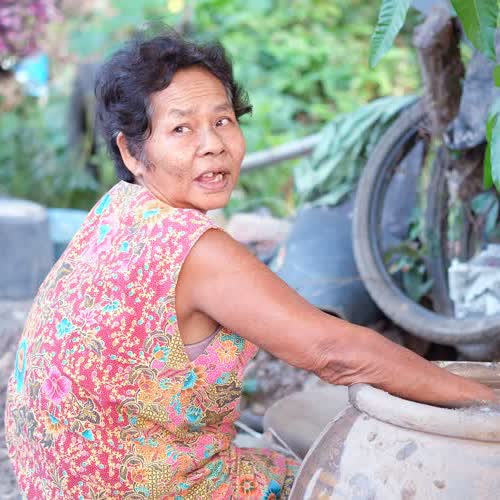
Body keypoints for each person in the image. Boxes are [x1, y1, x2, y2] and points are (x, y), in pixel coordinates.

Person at [5, 29, 496, 500]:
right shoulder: (195, 250)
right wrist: (485, 402)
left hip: (59, 483)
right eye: (181, 128)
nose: (213, 144)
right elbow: (333, 352)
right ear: (131, 151)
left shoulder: (118, 210)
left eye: (223, 121)